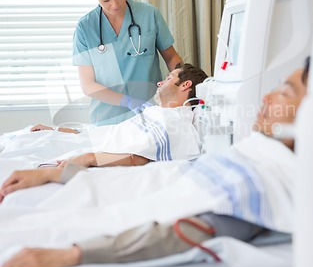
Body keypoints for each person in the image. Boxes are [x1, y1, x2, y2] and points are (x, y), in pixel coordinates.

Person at [0, 62, 309, 267]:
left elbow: (184, 232)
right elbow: (154, 175)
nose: (266, 96)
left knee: (17, 226)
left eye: (284, 92)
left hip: (105, 222)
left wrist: (73, 254)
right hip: (112, 191)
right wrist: (60, 172)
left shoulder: (262, 178)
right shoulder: (257, 153)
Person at [0, 64, 208, 191]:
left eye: (169, 77)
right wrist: (61, 131)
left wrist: (90, 158)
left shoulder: (174, 122)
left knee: (19, 156)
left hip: (91, 151)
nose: (160, 82)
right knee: (27, 137)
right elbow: (116, 134)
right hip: (88, 139)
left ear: (185, 85)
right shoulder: (158, 113)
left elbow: (140, 158)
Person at [73, 0, 182, 126]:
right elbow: (88, 85)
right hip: (107, 119)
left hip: (150, 113)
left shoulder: (149, 14)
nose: (115, 5)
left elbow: (171, 57)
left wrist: (183, 82)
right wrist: (128, 101)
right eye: (106, 1)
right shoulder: (86, 28)